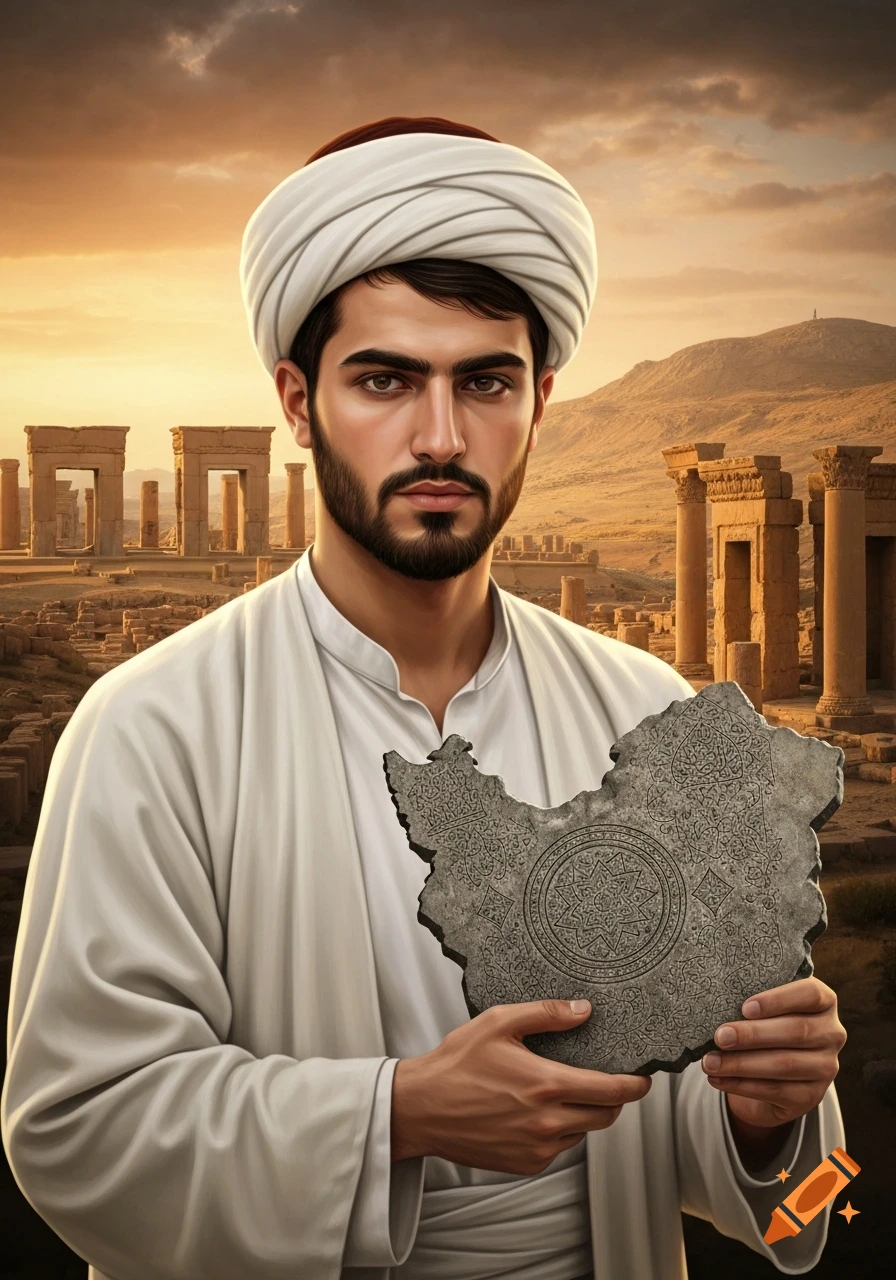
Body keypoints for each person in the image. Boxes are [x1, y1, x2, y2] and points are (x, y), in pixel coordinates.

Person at [2, 116, 846, 1280]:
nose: (440, 434)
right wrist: (396, 1116)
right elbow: (70, 1135)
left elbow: (814, 1208)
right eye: (385, 379)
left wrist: (766, 1116)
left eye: (485, 380)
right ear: (299, 405)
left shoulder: (651, 715)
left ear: (539, 403)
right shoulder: (153, 726)